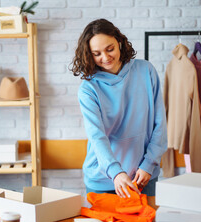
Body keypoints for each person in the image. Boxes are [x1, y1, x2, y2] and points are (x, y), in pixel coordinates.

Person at [70, 19, 167, 198]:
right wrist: (115, 171)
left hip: (143, 176)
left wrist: (149, 164)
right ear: (88, 55)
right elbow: (96, 136)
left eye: (110, 49)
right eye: (96, 53)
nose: (105, 58)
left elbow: (159, 124)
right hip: (103, 180)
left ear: (119, 42)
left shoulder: (146, 71)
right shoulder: (88, 89)